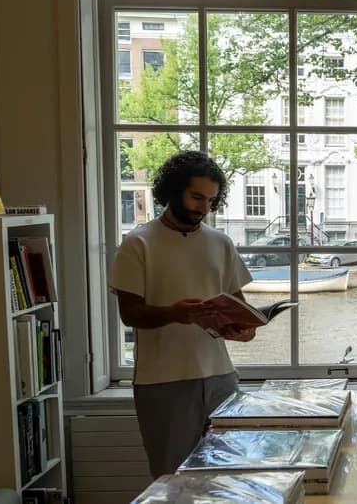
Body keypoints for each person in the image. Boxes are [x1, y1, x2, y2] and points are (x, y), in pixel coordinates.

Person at [109, 150, 256, 477]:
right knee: (172, 481)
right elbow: (130, 314)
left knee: (229, 478)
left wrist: (243, 329)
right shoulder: (137, 244)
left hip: (221, 377)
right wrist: (177, 314)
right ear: (174, 190)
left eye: (211, 200)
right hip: (162, 382)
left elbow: (241, 311)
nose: (203, 207)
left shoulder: (221, 243)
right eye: (196, 197)